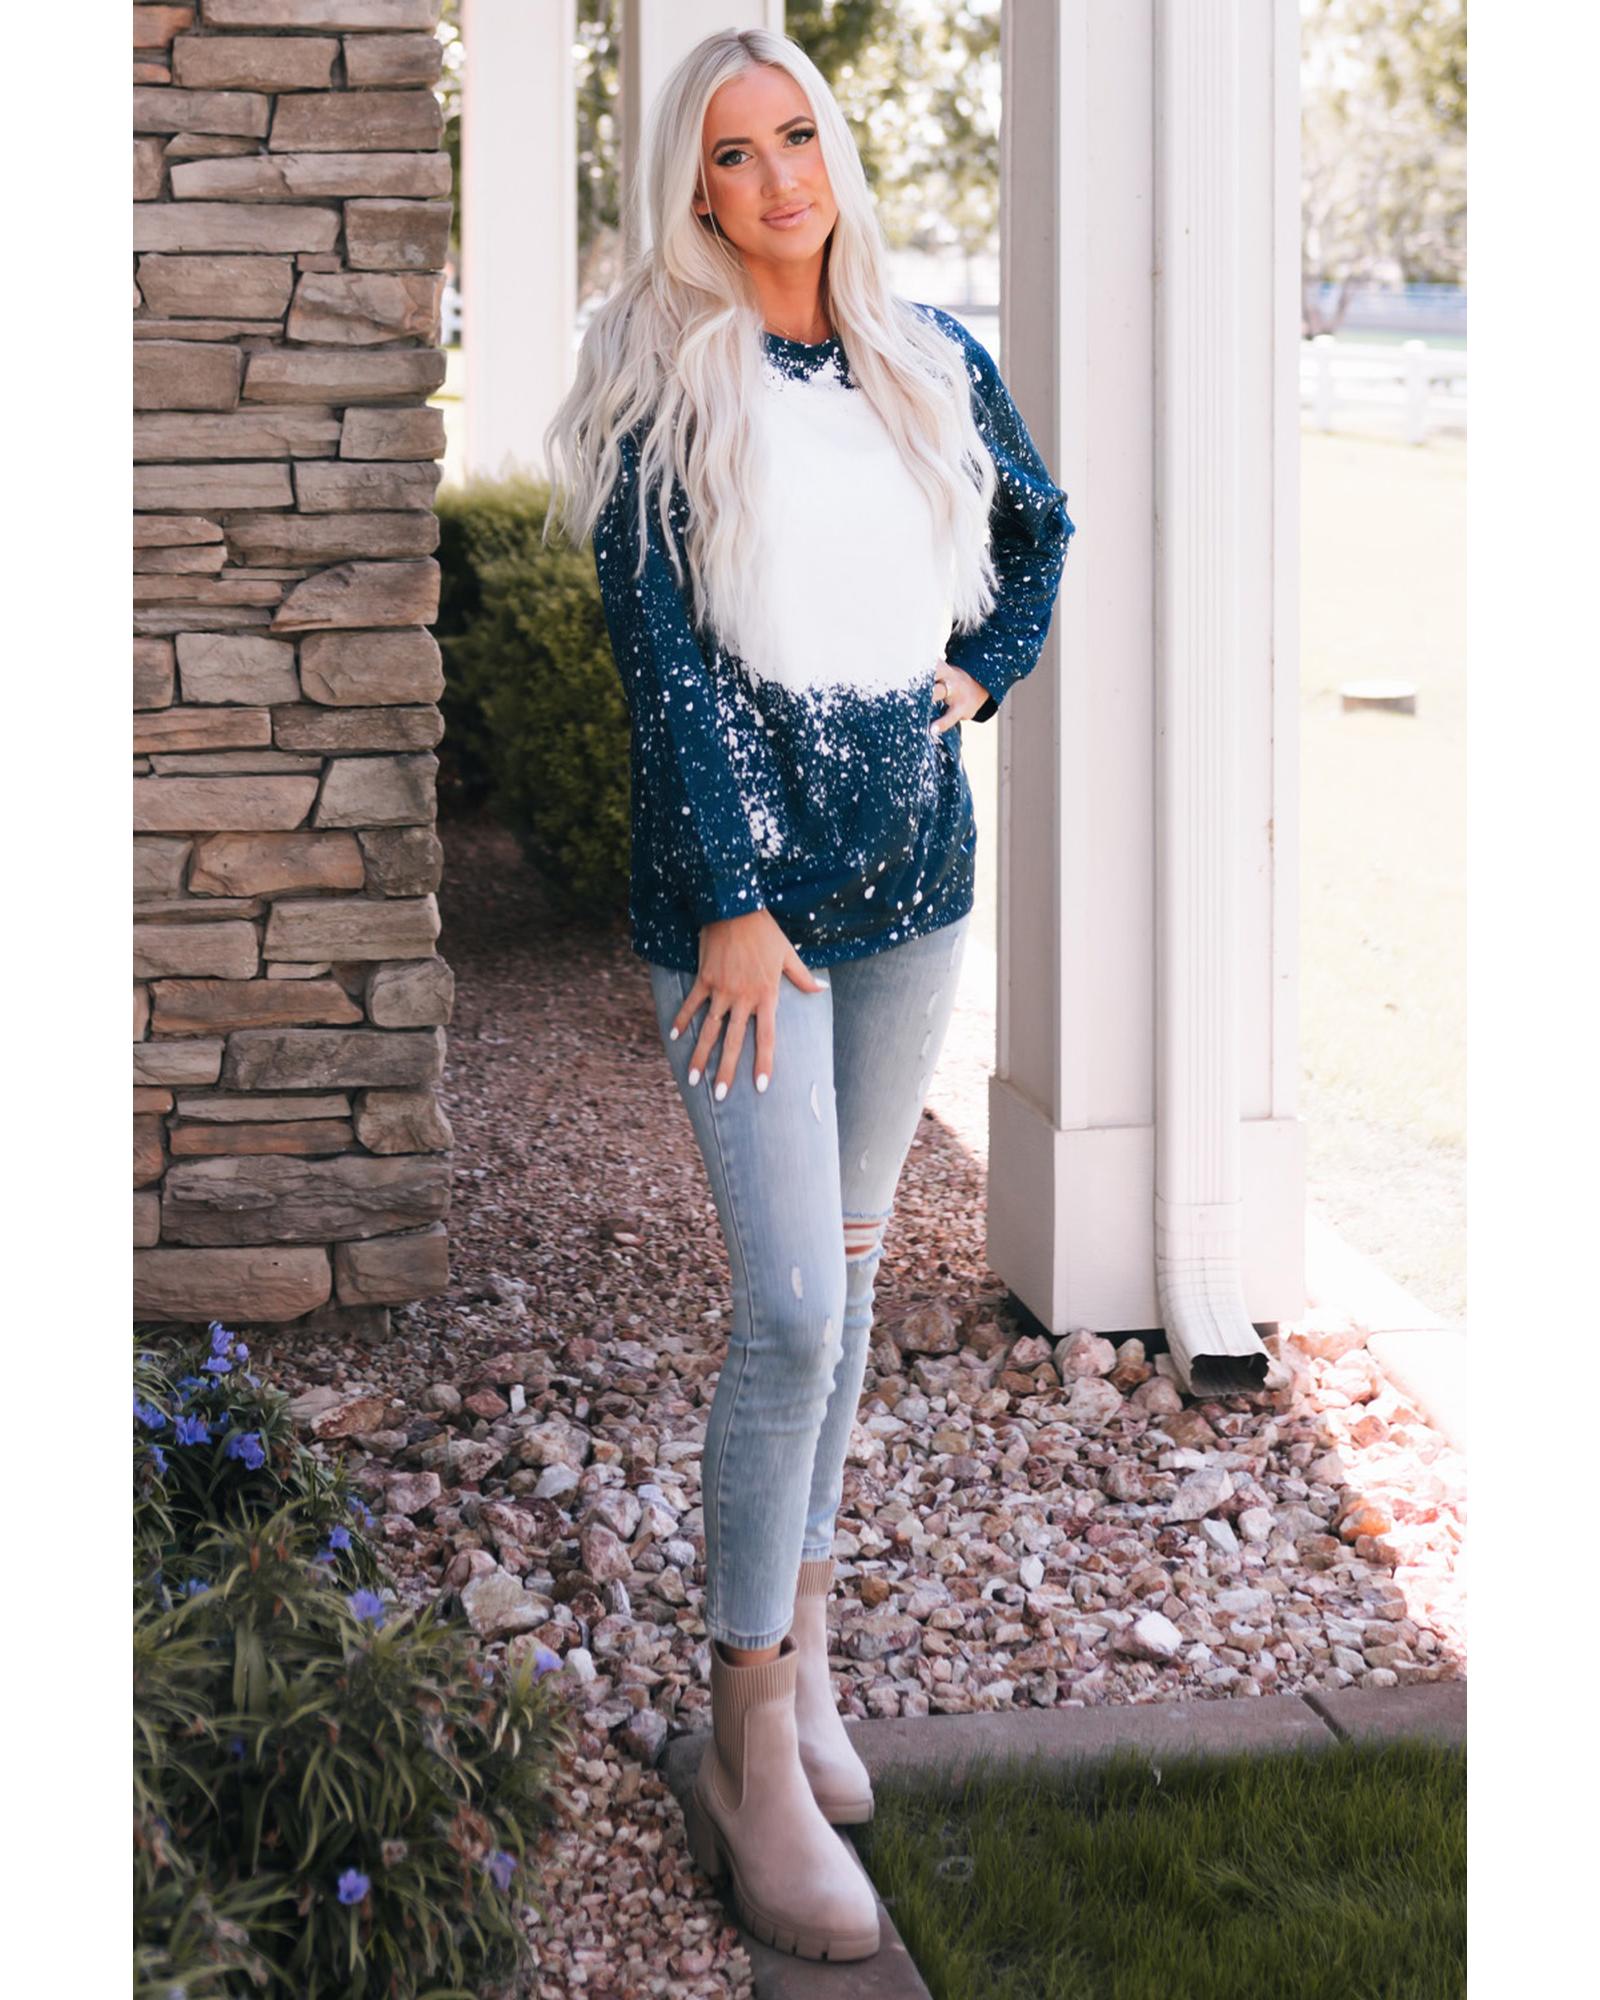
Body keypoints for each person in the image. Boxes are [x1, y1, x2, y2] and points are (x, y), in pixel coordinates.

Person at [544, 26, 1074, 1966]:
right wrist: (729, 906)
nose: (777, 180)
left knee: (844, 1285)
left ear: (832, 150)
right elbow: (663, 661)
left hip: (915, 890)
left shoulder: (926, 357)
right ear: (689, 189)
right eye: (733, 155)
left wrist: (981, 672)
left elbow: (1034, 529)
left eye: (796, 139)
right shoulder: (663, 380)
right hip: (745, 924)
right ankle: (745, 1741)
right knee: (786, 1306)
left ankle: (811, 1657)